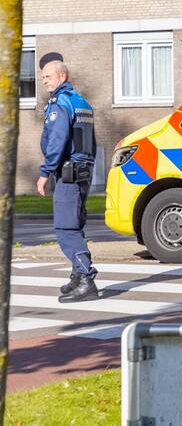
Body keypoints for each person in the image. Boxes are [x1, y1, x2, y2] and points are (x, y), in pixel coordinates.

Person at [37, 56, 100, 302]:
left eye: (47, 77)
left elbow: (57, 140)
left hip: (68, 171)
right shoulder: (81, 101)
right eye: (42, 77)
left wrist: (45, 172)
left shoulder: (60, 103)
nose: (43, 81)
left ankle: (85, 279)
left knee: (65, 228)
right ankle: (77, 276)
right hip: (82, 170)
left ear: (62, 76)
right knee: (75, 224)